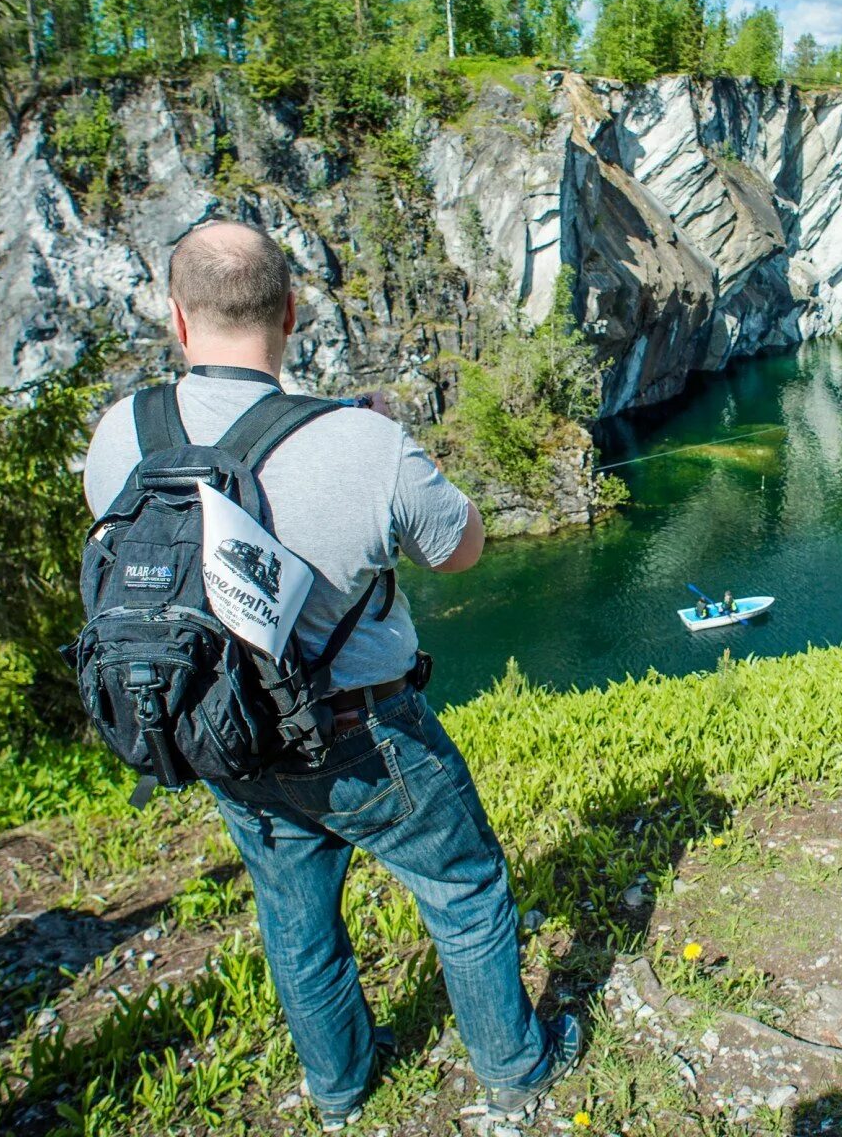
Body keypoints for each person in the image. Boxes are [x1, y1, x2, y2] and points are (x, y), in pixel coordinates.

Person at [82, 222, 580, 1132]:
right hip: (365, 734)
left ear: (178, 322)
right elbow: (464, 550)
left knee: (296, 918)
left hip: (222, 733)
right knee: (464, 891)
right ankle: (515, 1071)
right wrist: (389, 457)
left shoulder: (122, 434)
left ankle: (341, 1091)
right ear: (292, 312)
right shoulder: (360, 440)